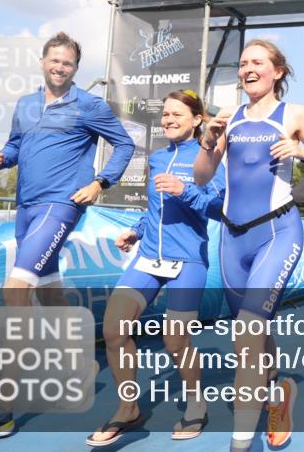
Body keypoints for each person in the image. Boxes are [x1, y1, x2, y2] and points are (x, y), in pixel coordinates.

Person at [0, 32, 134, 443]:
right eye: (54, 60)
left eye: (67, 63)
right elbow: (17, 145)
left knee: (16, 291)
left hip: (61, 204)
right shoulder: (25, 104)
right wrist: (2, 157)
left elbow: (124, 144)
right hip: (27, 207)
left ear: (75, 68)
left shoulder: (89, 105)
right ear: (42, 62)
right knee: (50, 292)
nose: (59, 67)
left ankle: (0, 410)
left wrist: (101, 182)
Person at [194, 39, 304, 451]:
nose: (247, 69)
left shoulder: (294, 114)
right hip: (232, 238)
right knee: (254, 332)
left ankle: (241, 442)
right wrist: (208, 141)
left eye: (256, 62)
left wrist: (302, 150)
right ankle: (277, 393)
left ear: (278, 71)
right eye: (242, 64)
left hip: (277, 231)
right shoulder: (228, 117)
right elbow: (202, 176)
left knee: (247, 331)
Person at [87, 90, 226, 446]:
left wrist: (184, 191)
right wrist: (137, 231)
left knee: (175, 340)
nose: (168, 119)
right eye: (165, 114)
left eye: (177, 114)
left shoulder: (208, 158)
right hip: (149, 256)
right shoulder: (158, 157)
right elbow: (155, 210)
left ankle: (196, 403)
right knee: (114, 328)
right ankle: (128, 408)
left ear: (197, 119)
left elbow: (220, 209)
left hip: (188, 260)